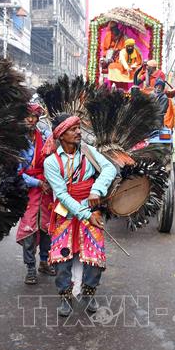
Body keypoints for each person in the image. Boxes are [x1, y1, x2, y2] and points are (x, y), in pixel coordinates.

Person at [42, 113, 116, 317]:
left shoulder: (88, 151)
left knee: (94, 256)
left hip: (91, 209)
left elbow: (109, 168)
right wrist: (85, 214)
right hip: (65, 214)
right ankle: (65, 297)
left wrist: (97, 190)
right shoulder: (51, 163)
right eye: (73, 129)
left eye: (78, 128)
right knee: (62, 257)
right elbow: (62, 195)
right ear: (61, 134)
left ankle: (89, 293)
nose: (78, 132)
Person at [16, 101, 56, 285]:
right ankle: (30, 267)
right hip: (30, 191)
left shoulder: (45, 136)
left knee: (47, 227)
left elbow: (55, 154)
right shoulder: (18, 143)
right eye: (27, 117)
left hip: (47, 190)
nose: (31, 120)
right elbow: (17, 173)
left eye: (33, 117)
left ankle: (44, 261)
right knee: (29, 230)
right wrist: (38, 182)